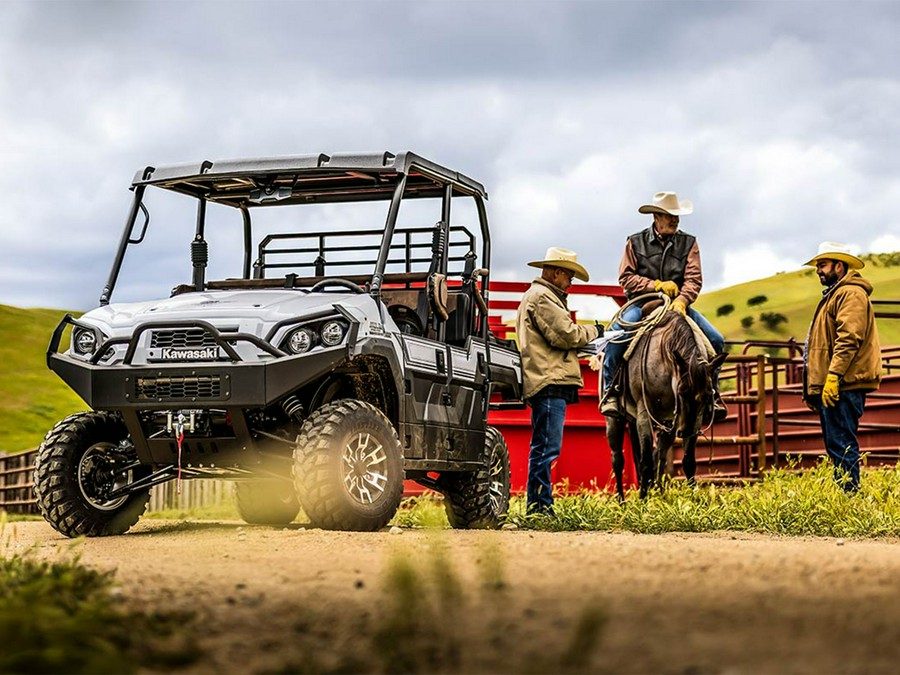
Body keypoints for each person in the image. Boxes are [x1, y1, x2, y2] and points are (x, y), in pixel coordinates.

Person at [601, 191, 726, 419]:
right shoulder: (634, 242)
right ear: (656, 217)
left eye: (676, 215)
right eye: (669, 215)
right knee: (615, 337)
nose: (675, 220)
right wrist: (655, 285)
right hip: (642, 304)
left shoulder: (689, 242)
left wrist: (682, 300)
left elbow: (694, 279)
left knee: (716, 340)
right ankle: (610, 391)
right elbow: (626, 278)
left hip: (677, 306)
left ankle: (712, 392)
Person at [516, 247, 602, 514]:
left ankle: (539, 504)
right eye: (569, 276)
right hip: (548, 380)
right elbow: (565, 335)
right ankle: (540, 507)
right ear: (556, 273)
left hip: (546, 378)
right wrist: (595, 331)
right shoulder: (543, 298)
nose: (571, 282)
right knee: (546, 447)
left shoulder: (539, 295)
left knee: (543, 445)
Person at [802, 241, 882, 492]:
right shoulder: (838, 294)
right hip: (836, 382)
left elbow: (849, 338)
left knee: (842, 441)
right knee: (837, 442)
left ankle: (849, 497)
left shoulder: (850, 294)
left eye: (822, 265)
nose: (818, 270)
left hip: (844, 382)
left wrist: (834, 376)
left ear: (840, 265)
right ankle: (845, 495)